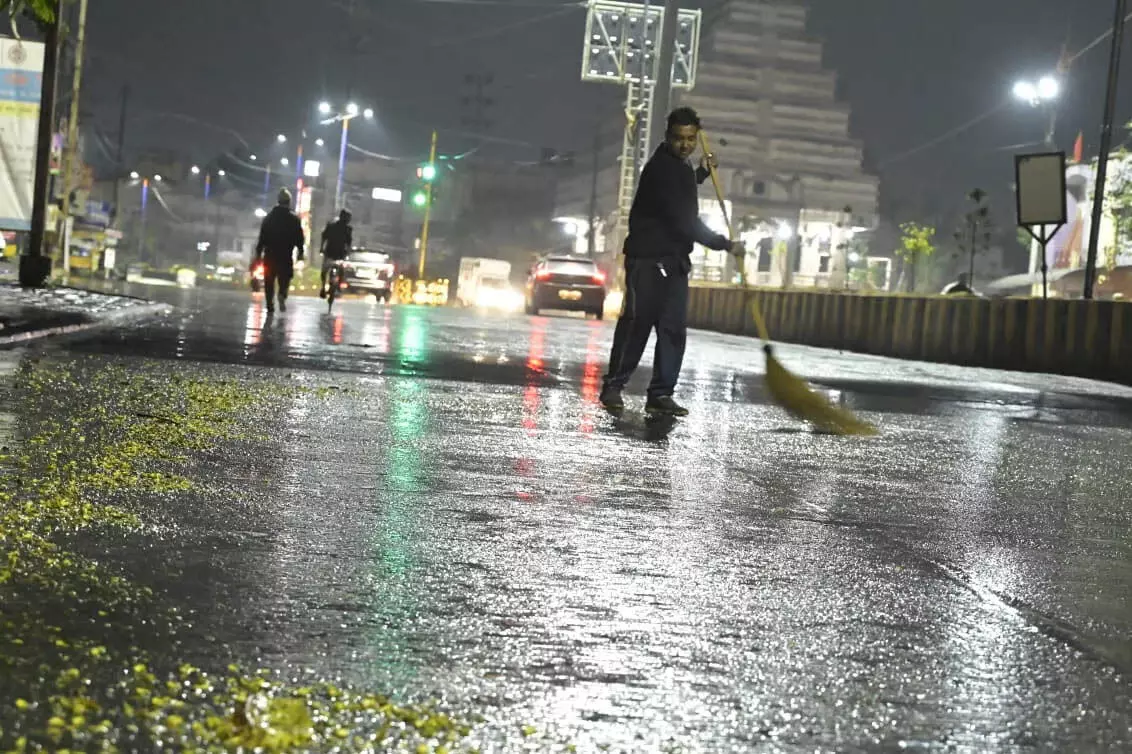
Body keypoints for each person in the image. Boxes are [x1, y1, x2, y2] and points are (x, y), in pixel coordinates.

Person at [599, 107, 743, 417]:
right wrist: (726, 244)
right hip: (648, 261)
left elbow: (683, 190)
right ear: (668, 137)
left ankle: (661, 393)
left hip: (674, 261)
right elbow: (685, 222)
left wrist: (701, 174)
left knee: (673, 330)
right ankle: (614, 386)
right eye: (679, 139)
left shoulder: (680, 167)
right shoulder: (662, 168)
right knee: (637, 325)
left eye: (691, 139)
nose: (685, 145)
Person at [255, 188, 305, 313]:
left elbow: (262, 237)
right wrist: (300, 252)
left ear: (278, 201)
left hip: (270, 254)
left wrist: (258, 253)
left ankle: (270, 303)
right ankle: (282, 295)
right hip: (285, 254)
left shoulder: (269, 217)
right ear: (289, 202)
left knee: (269, 280)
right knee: (285, 278)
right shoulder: (294, 219)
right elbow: (299, 238)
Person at [320, 208, 353, 298]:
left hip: (331, 253)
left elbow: (324, 237)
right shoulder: (347, 228)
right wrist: (348, 252)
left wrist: (321, 248)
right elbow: (349, 243)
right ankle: (335, 287)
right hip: (338, 254)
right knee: (340, 270)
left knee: (325, 271)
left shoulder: (331, 225)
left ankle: (324, 287)